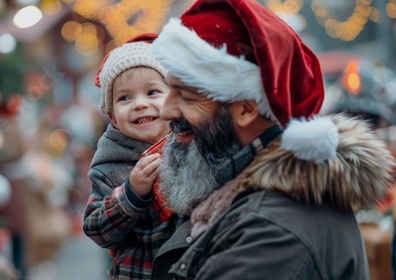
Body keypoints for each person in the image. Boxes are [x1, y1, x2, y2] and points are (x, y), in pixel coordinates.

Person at [147, 0, 395, 279]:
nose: (165, 111)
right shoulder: (233, 192)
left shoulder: (273, 231)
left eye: (186, 96)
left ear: (247, 109)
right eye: (168, 90)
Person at [83, 33, 183, 279]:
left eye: (152, 92)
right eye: (125, 98)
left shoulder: (191, 143)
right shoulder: (110, 163)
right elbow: (96, 229)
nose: (139, 104)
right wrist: (131, 194)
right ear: (113, 117)